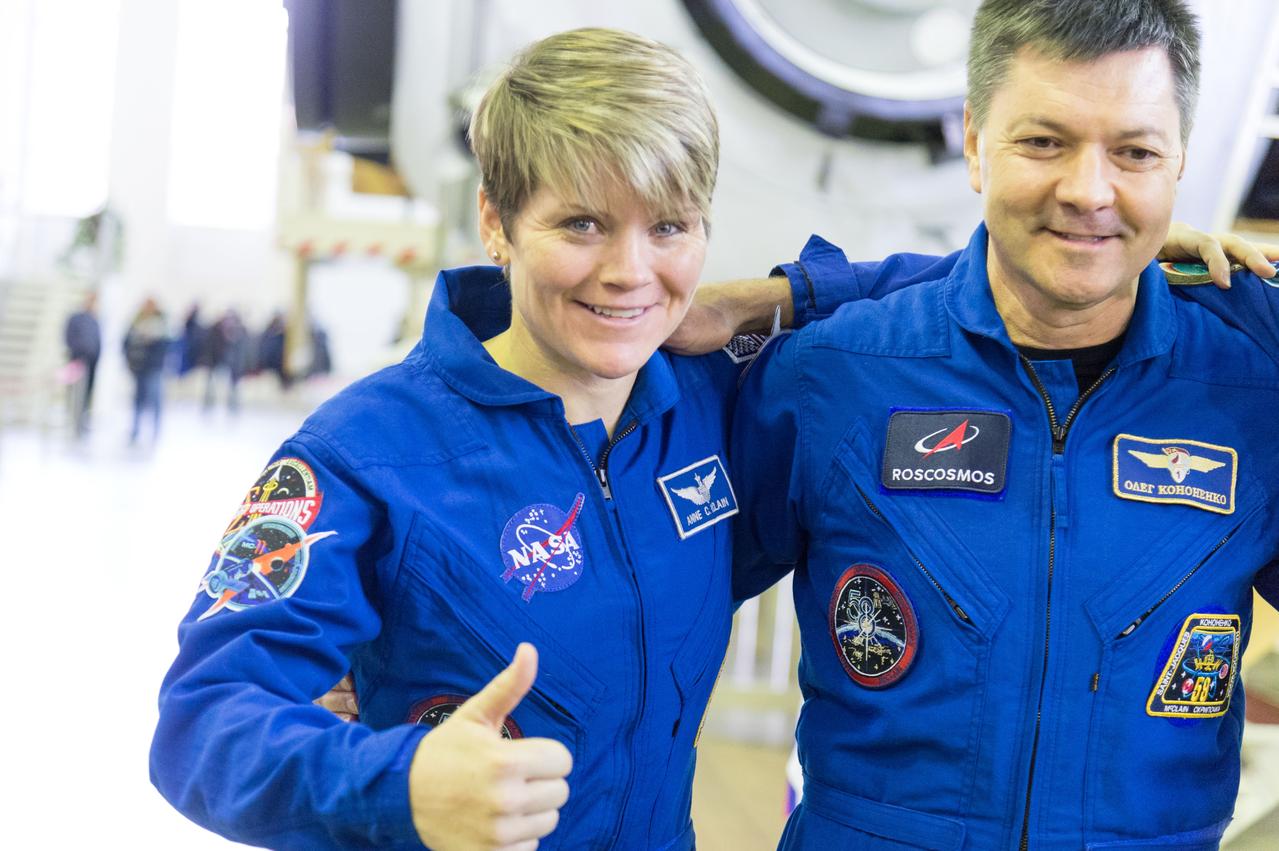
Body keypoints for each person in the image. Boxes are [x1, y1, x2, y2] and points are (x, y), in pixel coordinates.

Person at [151, 28, 810, 850]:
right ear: (495, 222)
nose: (630, 271)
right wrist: (402, 785)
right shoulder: (366, 455)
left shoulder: (716, 409)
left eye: (670, 227)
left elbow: (976, 293)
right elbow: (203, 720)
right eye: (581, 224)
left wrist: (771, 296)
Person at [729, 1, 1279, 848]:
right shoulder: (834, 376)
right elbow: (640, 604)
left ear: (1177, 167)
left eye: (1133, 152)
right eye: (1044, 141)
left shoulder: (1249, 390)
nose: (1088, 190)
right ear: (975, 142)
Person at [123, 296, 170, 446]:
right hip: (139, 367)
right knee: (138, 400)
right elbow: (126, 342)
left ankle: (155, 432)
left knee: (155, 400)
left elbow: (166, 346)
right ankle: (135, 430)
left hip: (154, 368)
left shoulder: (162, 324)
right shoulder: (135, 322)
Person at [63, 291, 101, 437]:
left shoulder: (95, 320)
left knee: (85, 395)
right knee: (73, 393)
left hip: (91, 364)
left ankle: (81, 424)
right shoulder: (76, 318)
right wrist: (78, 353)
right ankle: (72, 423)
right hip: (76, 361)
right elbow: (68, 338)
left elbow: (97, 343)